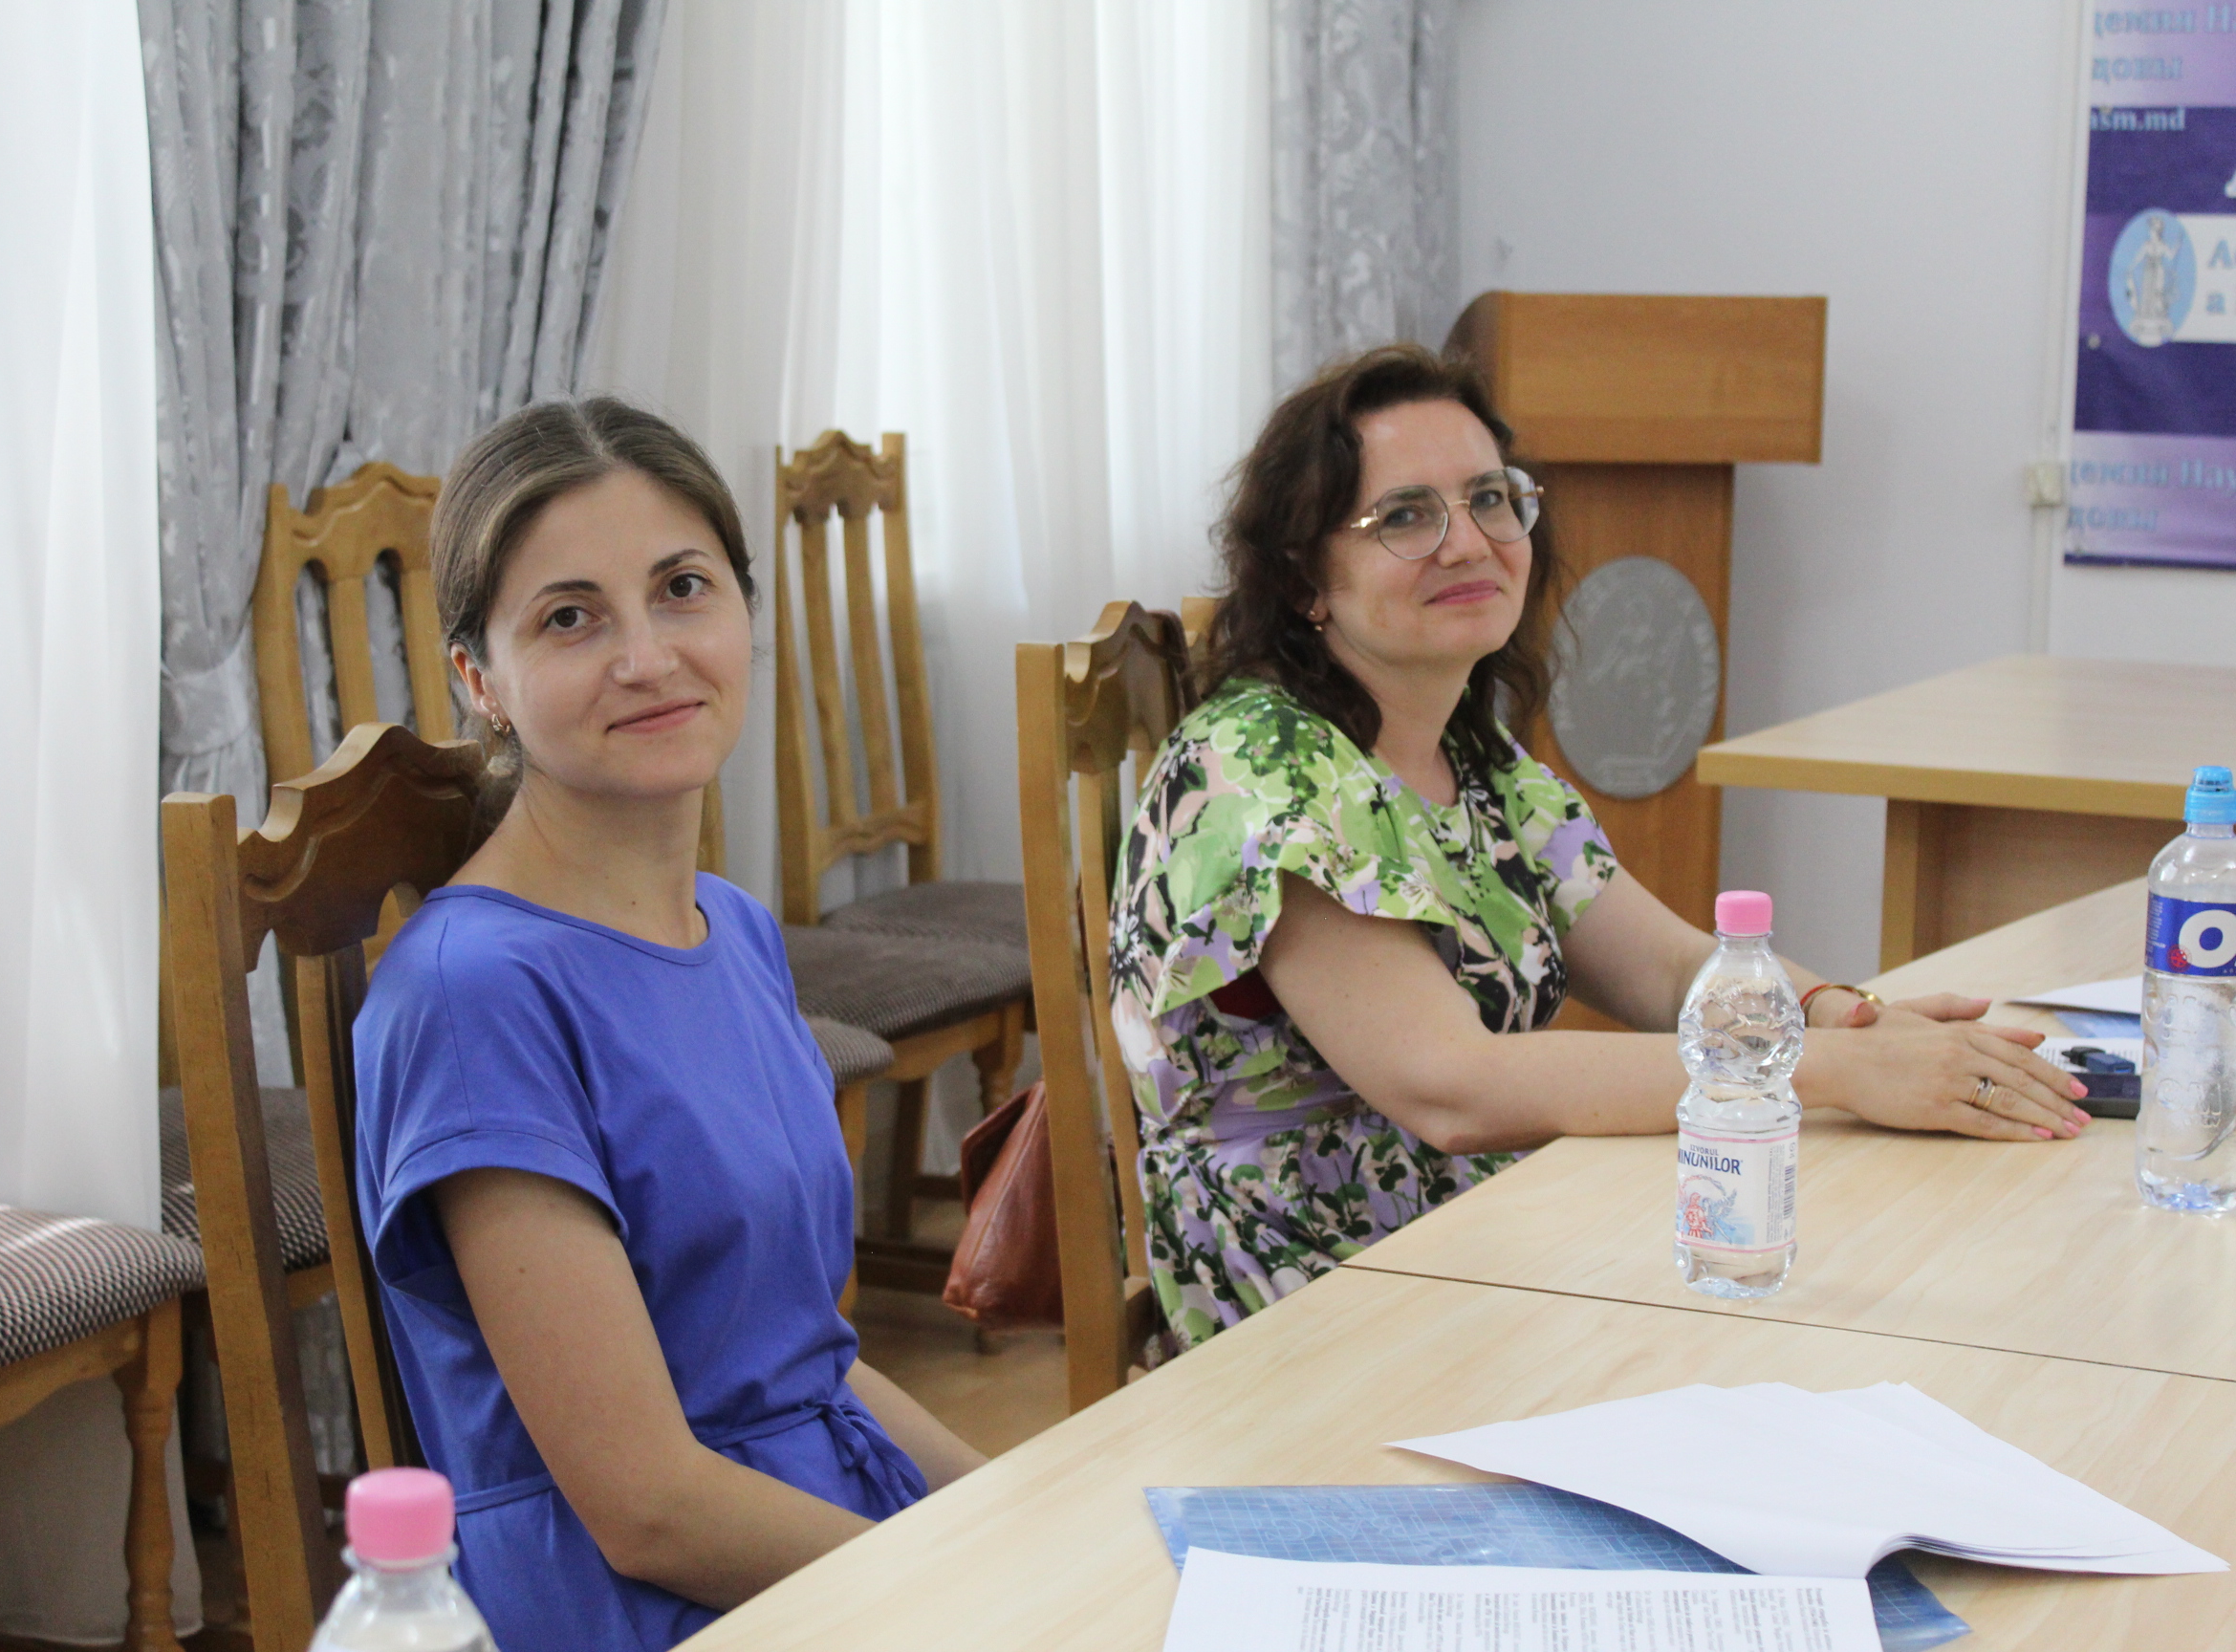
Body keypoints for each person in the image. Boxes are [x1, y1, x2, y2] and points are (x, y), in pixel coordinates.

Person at [1107, 344, 2091, 1354]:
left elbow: (1666, 968)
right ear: (1304, 578)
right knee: (1785, 1327)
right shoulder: (1262, 771)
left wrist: (1844, 1016)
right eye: (1404, 516)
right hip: (1311, 1275)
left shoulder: (1465, 753)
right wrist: (1829, 1071)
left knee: (1846, 1287)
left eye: (1491, 499)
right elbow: (1454, 1087)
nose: (1468, 543)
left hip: (1473, 1218)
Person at [352, 398, 984, 1652]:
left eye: (682, 589)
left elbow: (808, 1365)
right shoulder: (472, 997)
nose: (647, 658)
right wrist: (956, 1596)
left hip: (826, 1542)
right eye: (570, 617)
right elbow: (646, 1509)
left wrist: (1021, 1512)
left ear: (746, 613)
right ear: (480, 680)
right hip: (652, 1603)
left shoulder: (729, 928)